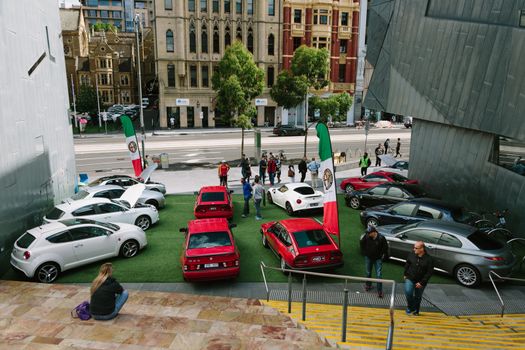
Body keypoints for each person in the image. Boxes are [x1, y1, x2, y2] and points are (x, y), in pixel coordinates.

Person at [404, 241, 434, 316]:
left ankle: (416, 310)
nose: (414, 249)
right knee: (408, 292)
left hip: (421, 281)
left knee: (418, 296)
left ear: (422, 249)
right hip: (410, 277)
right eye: (414, 247)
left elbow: (429, 273)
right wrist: (405, 274)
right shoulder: (412, 254)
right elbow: (407, 263)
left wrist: (422, 283)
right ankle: (410, 307)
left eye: (416, 248)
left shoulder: (429, 259)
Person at [360, 226, 389, 298]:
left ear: (374, 232)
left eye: (369, 233)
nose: (368, 234)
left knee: (379, 275)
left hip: (377, 259)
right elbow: (362, 243)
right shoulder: (367, 236)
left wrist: (380, 255)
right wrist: (365, 252)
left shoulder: (381, 238)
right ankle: (368, 285)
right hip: (368, 257)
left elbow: (385, 248)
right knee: (368, 272)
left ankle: (379, 291)